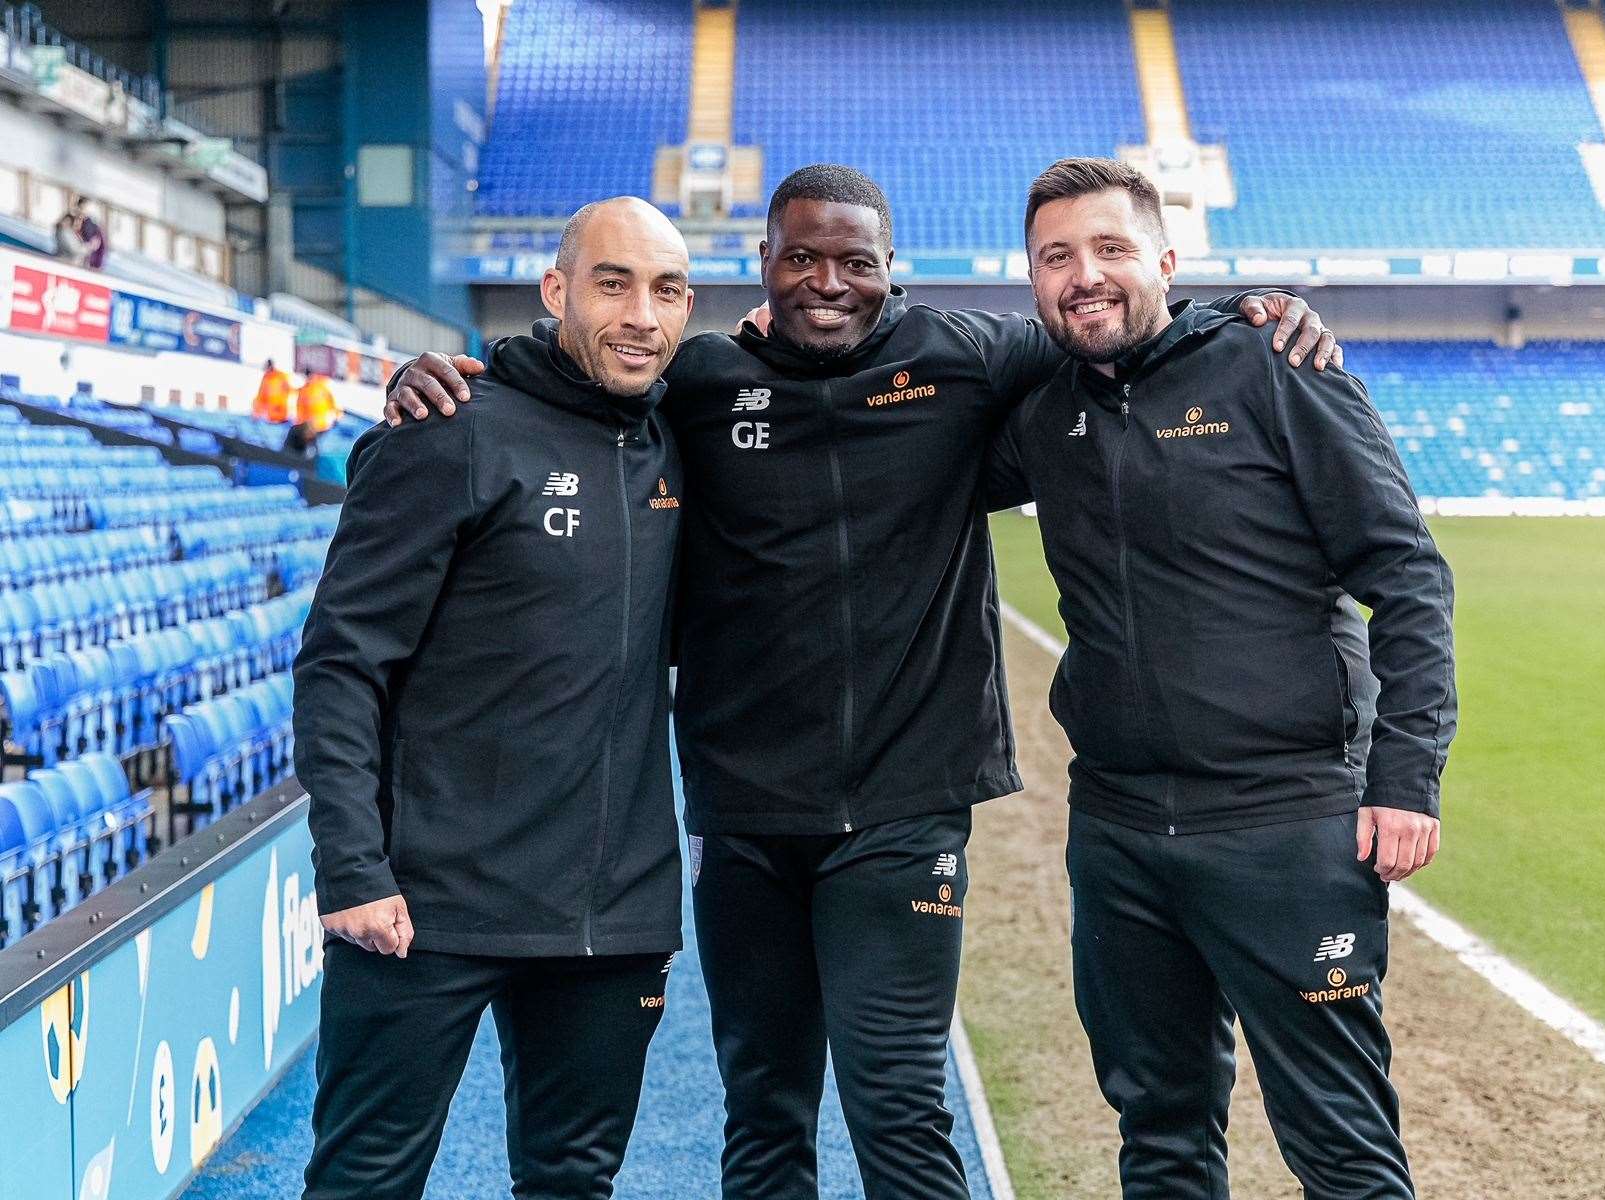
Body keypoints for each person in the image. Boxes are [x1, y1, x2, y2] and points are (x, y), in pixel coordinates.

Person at [386, 164, 1337, 1200]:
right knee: (763, 1109)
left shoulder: (965, 357)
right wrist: (449, 375)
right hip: (746, 814)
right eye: (801, 259)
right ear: (765, 266)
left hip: (904, 807)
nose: (827, 282)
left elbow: (1113, 332)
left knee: (897, 1103)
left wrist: (1248, 317)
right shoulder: (701, 383)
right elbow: (576, 388)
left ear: (894, 272)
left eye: (854, 262)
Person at [987, 157, 1455, 1199]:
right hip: (1117, 833)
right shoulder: (1041, 411)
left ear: (1165, 257)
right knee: (1158, 1132)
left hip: (1284, 824)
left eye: (1110, 249)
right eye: (1057, 257)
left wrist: (1405, 775)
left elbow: (1409, 574)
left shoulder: (1272, 362)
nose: (1085, 276)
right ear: (1031, 279)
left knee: (1341, 1147)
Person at [291, 196, 693, 1200]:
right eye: (614, 283)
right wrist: (350, 867)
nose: (643, 313)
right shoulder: (450, 430)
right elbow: (342, 661)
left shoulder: (683, 439)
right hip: (426, 906)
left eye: (668, 290)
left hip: (612, 917)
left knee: (571, 1186)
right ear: (555, 290)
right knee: (363, 1185)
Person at [254, 359, 294, 423]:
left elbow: (289, 389)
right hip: (271, 416)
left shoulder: (281, 376)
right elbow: (261, 395)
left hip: (281, 412)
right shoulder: (266, 378)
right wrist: (257, 412)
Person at [71, 198, 106, 270]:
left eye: (84, 208)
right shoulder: (72, 219)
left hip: (87, 261)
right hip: (74, 258)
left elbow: (99, 247)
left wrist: (97, 265)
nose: (81, 211)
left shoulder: (93, 226)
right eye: (80, 208)